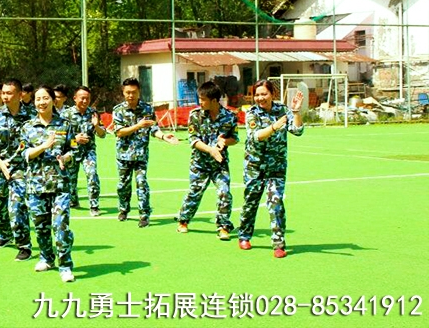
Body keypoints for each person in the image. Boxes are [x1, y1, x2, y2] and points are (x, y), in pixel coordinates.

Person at [238, 79, 304, 258]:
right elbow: (256, 136)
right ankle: (244, 235)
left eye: (264, 94)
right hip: (254, 166)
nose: (260, 98)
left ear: (272, 94)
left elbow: (297, 131)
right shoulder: (251, 113)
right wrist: (274, 126)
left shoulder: (282, 110)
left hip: (276, 167)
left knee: (276, 204)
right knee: (250, 203)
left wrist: (296, 112)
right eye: (257, 95)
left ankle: (278, 244)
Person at [21, 85, 76, 282]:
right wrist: (43, 146)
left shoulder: (66, 125)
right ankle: (46, 257)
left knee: (60, 225)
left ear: (53, 100)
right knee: (41, 226)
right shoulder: (27, 127)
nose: (41, 102)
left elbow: (74, 149)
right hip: (36, 185)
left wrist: (66, 158)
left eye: (45, 98)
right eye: (38, 99)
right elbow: (24, 153)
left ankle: (65, 265)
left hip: (60, 184)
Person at [175, 81, 238, 240]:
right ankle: (183, 220)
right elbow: (193, 140)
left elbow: (235, 138)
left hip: (219, 164)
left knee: (224, 192)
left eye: (203, 99)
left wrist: (224, 141)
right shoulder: (195, 115)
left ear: (214, 100)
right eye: (199, 98)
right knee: (194, 193)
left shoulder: (230, 116)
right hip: (200, 163)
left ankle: (223, 226)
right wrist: (211, 150)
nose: (200, 102)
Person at [113, 77, 178, 228]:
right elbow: (119, 132)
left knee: (142, 183)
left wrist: (164, 137)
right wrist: (138, 125)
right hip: (123, 155)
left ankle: (144, 214)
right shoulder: (118, 110)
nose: (131, 95)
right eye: (128, 92)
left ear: (139, 92)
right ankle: (123, 209)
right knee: (123, 185)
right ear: (123, 93)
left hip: (141, 154)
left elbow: (153, 128)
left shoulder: (147, 109)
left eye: (134, 92)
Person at [0, 78, 33, 261]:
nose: (5, 96)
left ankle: (24, 245)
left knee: (17, 206)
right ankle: (4, 234)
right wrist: (0, 164)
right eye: (3, 93)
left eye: (9, 93)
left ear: (20, 95)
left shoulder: (31, 115)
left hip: (21, 168)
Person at [62, 86, 106, 216]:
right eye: (82, 98)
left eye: (87, 98)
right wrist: (75, 139)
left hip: (88, 151)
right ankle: (73, 201)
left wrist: (96, 125)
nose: (85, 101)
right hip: (72, 150)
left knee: (92, 175)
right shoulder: (66, 114)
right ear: (75, 98)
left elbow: (102, 134)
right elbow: (61, 136)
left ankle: (94, 205)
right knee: (71, 180)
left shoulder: (93, 113)